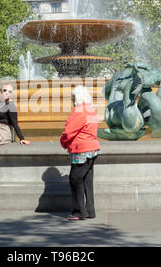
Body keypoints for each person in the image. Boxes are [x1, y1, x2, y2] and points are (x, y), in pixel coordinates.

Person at [60, 85, 100, 221]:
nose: (71, 99)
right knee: (87, 181)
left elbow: (68, 132)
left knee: (75, 179)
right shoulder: (91, 110)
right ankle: (90, 210)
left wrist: (63, 142)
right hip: (93, 149)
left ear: (77, 97)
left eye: (72, 96)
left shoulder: (79, 111)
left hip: (81, 150)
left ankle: (78, 212)